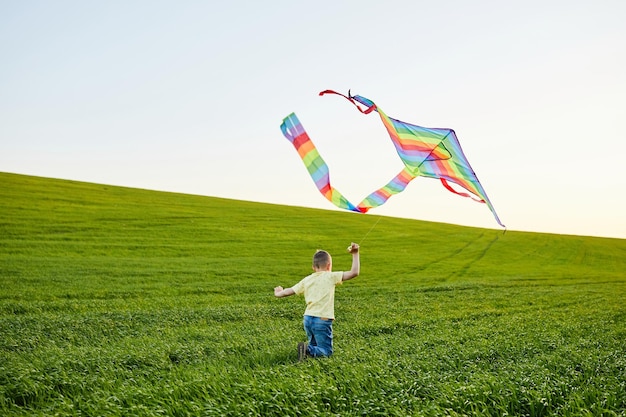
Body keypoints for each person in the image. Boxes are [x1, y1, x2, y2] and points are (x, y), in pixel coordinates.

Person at [274, 242, 360, 360]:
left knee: (314, 345)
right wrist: (355, 254)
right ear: (329, 266)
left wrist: (279, 293)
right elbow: (354, 272)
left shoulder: (307, 279)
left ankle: (307, 352)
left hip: (308, 318)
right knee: (326, 351)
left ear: (313, 267)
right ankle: (306, 349)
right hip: (322, 319)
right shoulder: (330, 276)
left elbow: (290, 291)